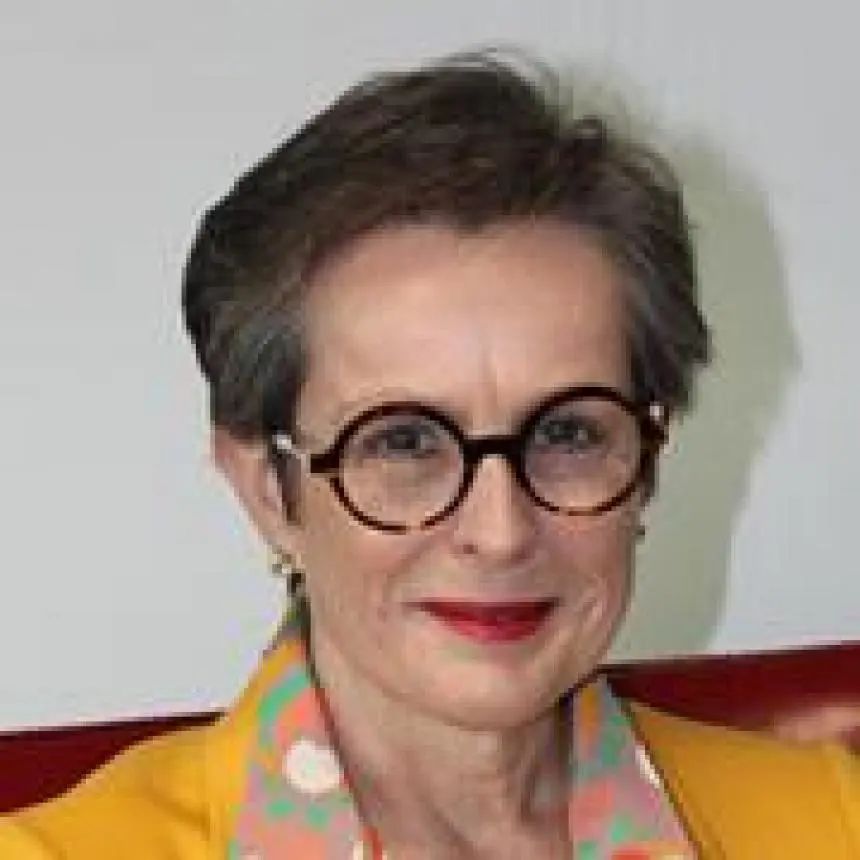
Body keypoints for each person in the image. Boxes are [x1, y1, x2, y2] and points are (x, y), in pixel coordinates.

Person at [1, 52, 857, 859]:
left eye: (567, 433)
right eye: (404, 441)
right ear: (269, 490)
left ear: (647, 460)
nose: (501, 532)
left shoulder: (832, 819)